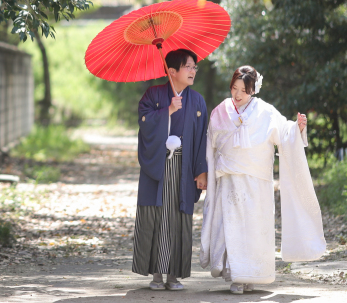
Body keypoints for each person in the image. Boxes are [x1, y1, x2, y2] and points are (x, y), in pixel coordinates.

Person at [199, 66, 326, 295]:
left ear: (253, 91)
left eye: (243, 91)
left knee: (256, 227)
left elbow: (284, 134)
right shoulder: (220, 111)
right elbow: (210, 145)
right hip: (229, 180)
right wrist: (207, 172)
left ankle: (253, 275)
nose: (237, 95)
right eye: (234, 88)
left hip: (258, 181)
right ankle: (236, 276)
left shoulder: (265, 111)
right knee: (233, 227)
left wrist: (296, 129)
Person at [132, 49, 209, 291]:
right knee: (157, 216)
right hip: (159, 164)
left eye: (195, 67)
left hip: (184, 167)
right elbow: (143, 121)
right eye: (188, 66)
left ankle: (173, 275)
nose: (193, 71)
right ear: (172, 71)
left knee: (177, 216)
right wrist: (167, 111)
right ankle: (156, 274)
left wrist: (201, 170)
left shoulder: (197, 101)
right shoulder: (153, 94)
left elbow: (202, 138)